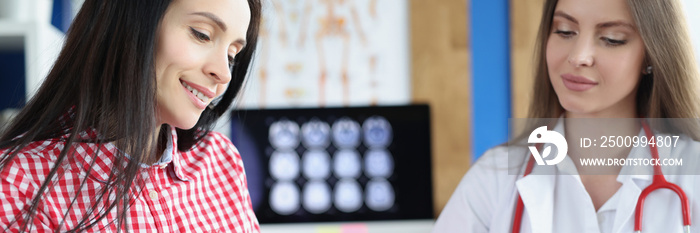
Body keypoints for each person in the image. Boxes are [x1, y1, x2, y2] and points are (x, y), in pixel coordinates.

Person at [433, 0, 700, 232]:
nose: (578, 56)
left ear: (652, 54)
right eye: (565, 31)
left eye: (612, 38)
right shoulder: (494, 178)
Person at [0, 0, 261, 232]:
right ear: (131, 22)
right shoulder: (20, 183)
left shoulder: (220, 160)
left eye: (231, 56)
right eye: (201, 34)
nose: (224, 73)